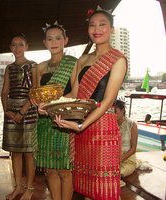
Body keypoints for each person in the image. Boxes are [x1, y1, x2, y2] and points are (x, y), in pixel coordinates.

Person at [55, 9, 127, 200]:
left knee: (104, 191)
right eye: (92, 25)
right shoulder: (82, 60)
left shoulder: (117, 59)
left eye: (102, 24)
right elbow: (74, 94)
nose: (97, 29)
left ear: (111, 29)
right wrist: (49, 105)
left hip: (103, 129)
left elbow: (108, 101)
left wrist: (81, 125)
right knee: (88, 189)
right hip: (82, 130)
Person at [33, 21, 77, 200]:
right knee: (50, 168)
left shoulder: (73, 63)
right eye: (49, 39)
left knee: (64, 169)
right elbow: (36, 95)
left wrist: (54, 105)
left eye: (58, 38)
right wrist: (39, 105)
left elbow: (75, 92)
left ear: (66, 40)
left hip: (64, 120)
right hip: (44, 122)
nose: (54, 42)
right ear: (44, 42)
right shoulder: (39, 67)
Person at [1, 33, 38, 200]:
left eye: (20, 44)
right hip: (11, 110)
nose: (17, 48)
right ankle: (17, 187)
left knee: (29, 152)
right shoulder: (9, 68)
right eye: (14, 45)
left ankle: (29, 188)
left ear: (27, 46)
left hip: (29, 110)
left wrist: (22, 110)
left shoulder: (34, 66)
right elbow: (4, 92)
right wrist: (7, 110)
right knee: (15, 152)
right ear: (10, 48)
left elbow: (36, 92)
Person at [114, 99, 138, 187]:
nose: (113, 115)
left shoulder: (132, 125)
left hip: (128, 160)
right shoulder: (110, 124)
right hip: (113, 159)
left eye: (115, 112)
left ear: (123, 110)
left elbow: (133, 149)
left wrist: (118, 160)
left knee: (114, 173)